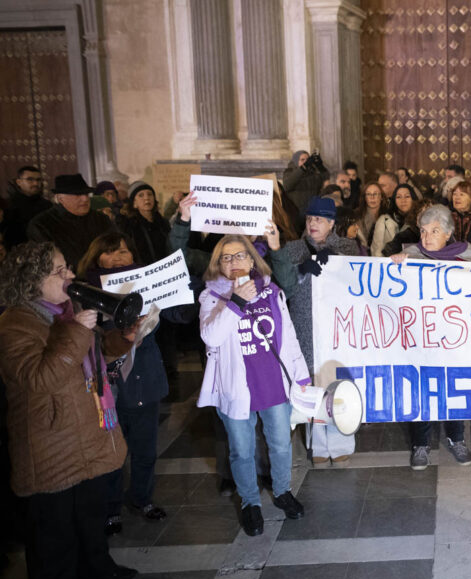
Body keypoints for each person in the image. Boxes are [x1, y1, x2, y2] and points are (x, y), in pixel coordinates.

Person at [0, 241, 137, 579]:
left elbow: (94, 353)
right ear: (31, 281)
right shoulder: (14, 324)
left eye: (68, 267)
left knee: (89, 515)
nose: (71, 275)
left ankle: (95, 563)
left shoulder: (67, 310)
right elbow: (39, 379)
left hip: (87, 431)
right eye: (60, 271)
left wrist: (123, 339)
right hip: (52, 442)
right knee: (53, 536)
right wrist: (77, 329)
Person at [197, 233, 309, 536]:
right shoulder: (211, 297)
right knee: (242, 451)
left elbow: (288, 335)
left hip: (272, 382)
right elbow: (211, 338)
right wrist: (236, 301)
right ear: (218, 264)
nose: (234, 262)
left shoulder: (272, 291)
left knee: (281, 444)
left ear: (252, 259)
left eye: (240, 255)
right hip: (235, 388)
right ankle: (250, 503)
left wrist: (301, 376)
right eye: (226, 257)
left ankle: (283, 490)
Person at [78, 233, 170, 532]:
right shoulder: (84, 293)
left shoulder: (149, 284)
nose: (119, 257)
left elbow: (178, 314)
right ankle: (111, 508)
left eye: (124, 251)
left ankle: (141, 498)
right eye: (110, 252)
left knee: (144, 450)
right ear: (96, 258)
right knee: (112, 452)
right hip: (110, 387)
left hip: (144, 380)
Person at [391, 205, 471, 470]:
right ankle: (420, 444)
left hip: (455, 338)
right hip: (421, 338)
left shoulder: (470, 258)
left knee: (453, 388)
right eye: (423, 230)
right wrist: (395, 265)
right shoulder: (409, 256)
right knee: (420, 389)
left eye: (434, 231)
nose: (427, 236)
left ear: (448, 234)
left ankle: (457, 438)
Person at [271, 197, 359, 466]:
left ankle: (341, 439)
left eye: (319, 219)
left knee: (336, 380)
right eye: (310, 219)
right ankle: (318, 445)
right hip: (304, 324)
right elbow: (283, 287)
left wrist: (337, 262)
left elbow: (356, 279)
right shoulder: (293, 249)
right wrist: (299, 271)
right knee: (311, 384)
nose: (313, 224)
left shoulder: (347, 246)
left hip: (336, 324)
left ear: (331, 223)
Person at [27, 173, 112, 268]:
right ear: (60, 198)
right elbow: (48, 262)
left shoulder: (101, 219)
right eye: (77, 195)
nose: (85, 199)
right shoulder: (42, 224)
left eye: (86, 194)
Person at [116, 182, 171, 266]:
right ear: (134, 203)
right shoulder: (127, 225)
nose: (146, 198)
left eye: (150, 194)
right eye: (141, 195)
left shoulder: (163, 223)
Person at [4, 165, 52, 248]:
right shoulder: (8, 205)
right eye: (30, 179)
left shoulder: (47, 205)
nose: (35, 183)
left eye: (38, 180)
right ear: (19, 182)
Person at [283, 150, 328, 215]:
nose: (306, 162)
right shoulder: (289, 172)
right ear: (296, 161)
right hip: (296, 213)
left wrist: (321, 166)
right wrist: (303, 168)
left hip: (312, 212)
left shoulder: (313, 173)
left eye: (307, 160)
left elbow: (325, 183)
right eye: (302, 160)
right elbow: (287, 185)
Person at [355, 181, 391, 253]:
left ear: (381, 197)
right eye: (368, 194)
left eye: (375, 194)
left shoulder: (389, 216)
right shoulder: (356, 216)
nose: (372, 197)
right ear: (364, 197)